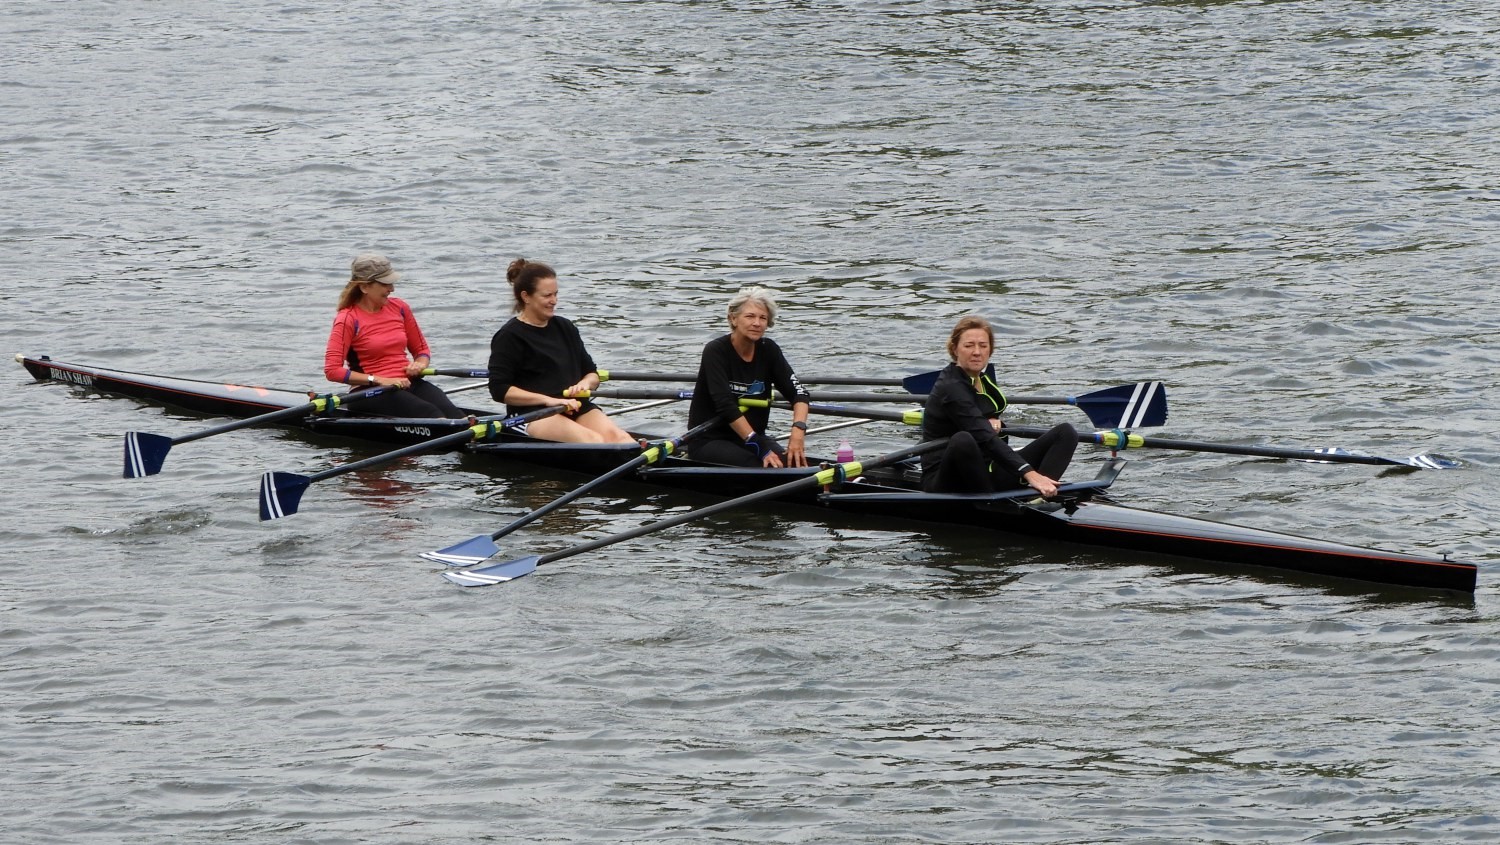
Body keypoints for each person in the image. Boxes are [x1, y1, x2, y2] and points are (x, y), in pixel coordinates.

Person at [921, 315, 1077, 497]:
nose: (977, 352)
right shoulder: (951, 387)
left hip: (986, 469)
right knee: (963, 439)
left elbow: (980, 413)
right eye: (969, 345)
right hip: (948, 478)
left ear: (990, 350)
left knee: (1066, 433)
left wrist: (992, 419)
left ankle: (1042, 495)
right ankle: (992, 505)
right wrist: (1029, 473)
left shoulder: (981, 378)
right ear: (955, 349)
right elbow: (983, 435)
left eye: (983, 346)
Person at [486, 258, 636, 444]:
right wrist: (548, 400)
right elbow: (499, 390)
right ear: (526, 297)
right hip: (531, 413)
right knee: (593, 441)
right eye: (547, 296)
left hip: (574, 405)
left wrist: (584, 384)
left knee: (623, 441)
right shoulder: (509, 336)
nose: (554, 301)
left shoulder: (565, 327)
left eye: (556, 294)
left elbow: (592, 373)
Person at [323, 253, 466, 419]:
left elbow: (421, 350)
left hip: (407, 383)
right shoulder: (347, 319)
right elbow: (332, 371)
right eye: (385, 284)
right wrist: (379, 380)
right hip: (368, 392)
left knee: (457, 417)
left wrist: (419, 364)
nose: (392, 289)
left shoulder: (400, 308)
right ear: (364, 287)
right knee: (432, 415)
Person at [687, 286, 812, 468]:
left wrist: (798, 431)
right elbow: (725, 406)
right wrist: (759, 447)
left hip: (753, 438)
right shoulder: (715, 351)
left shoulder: (769, 350)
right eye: (750, 316)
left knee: (793, 463)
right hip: (709, 439)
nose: (757, 323)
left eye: (762, 318)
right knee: (764, 466)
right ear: (733, 318)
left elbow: (800, 394)